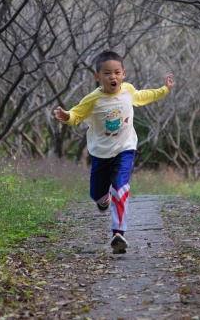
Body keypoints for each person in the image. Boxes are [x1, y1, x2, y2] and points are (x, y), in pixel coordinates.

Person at [54, 51, 174, 254]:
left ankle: (118, 234)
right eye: (107, 73)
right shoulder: (93, 99)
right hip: (101, 153)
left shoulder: (128, 91)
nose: (113, 77)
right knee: (97, 195)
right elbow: (76, 114)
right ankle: (103, 200)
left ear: (124, 73)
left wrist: (164, 89)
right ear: (97, 76)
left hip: (125, 148)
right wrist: (67, 116)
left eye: (117, 72)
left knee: (120, 186)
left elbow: (144, 96)